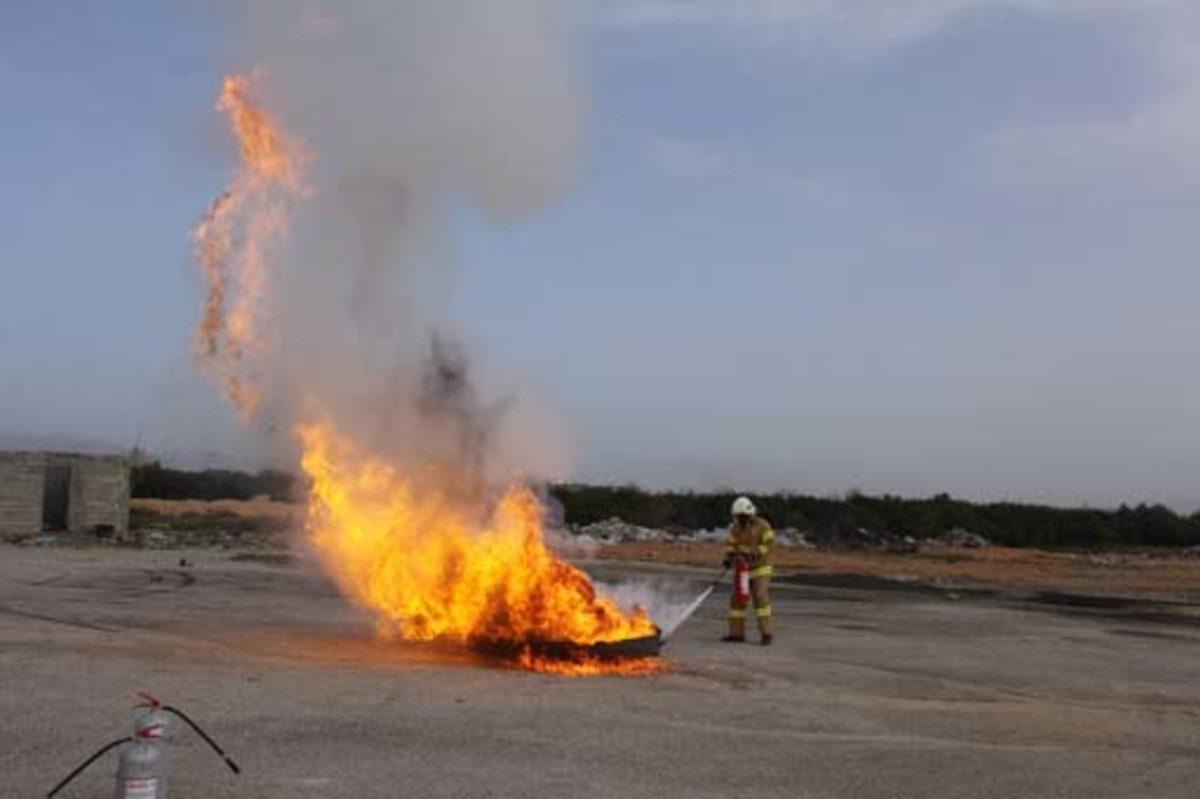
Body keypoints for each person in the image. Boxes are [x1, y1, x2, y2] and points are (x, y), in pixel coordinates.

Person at [722, 496, 774, 645]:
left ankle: (766, 634)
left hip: (760, 569)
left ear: (749, 514)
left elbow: (768, 546)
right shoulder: (735, 527)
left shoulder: (763, 525)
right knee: (737, 601)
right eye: (737, 516)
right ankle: (736, 634)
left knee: (760, 598)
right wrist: (729, 557)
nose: (739, 519)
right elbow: (731, 544)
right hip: (742, 570)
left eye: (741, 516)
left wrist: (754, 552)